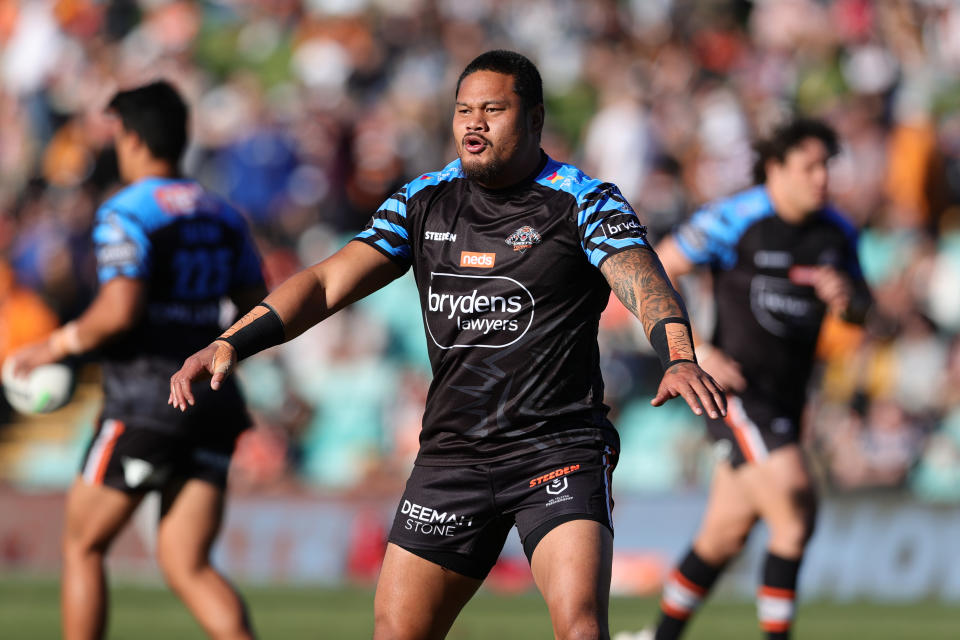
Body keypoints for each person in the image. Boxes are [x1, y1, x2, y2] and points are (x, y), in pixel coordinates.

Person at [169, 50, 725, 640]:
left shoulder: (583, 200)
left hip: (555, 448)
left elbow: (644, 281)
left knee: (581, 629)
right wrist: (233, 341)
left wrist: (678, 355)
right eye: (463, 110)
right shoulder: (423, 200)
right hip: (452, 455)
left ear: (534, 119)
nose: (473, 124)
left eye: (493, 109)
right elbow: (328, 281)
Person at [9, 81, 266, 640]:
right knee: (188, 564)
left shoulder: (127, 210)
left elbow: (118, 310)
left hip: (146, 399)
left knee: (82, 545)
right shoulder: (224, 214)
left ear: (130, 137)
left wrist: (53, 345)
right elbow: (257, 307)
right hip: (213, 399)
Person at [625, 119, 872, 640]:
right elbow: (659, 269)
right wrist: (696, 353)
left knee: (724, 535)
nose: (822, 177)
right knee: (795, 507)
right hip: (732, 393)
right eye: (810, 166)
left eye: (828, 165)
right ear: (776, 169)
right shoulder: (735, 218)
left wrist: (848, 302)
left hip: (786, 399)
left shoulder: (838, 232)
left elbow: (861, 313)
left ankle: (656, 637)